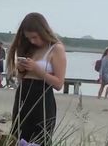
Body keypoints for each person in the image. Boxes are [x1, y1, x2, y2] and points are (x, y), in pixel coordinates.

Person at [6, 12, 66, 146]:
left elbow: (59, 83)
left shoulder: (56, 49)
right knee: (17, 136)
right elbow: (22, 77)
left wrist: (37, 69)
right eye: (29, 38)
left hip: (42, 98)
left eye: (34, 37)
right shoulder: (30, 48)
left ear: (43, 31)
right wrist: (21, 69)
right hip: (23, 95)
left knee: (40, 139)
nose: (32, 41)